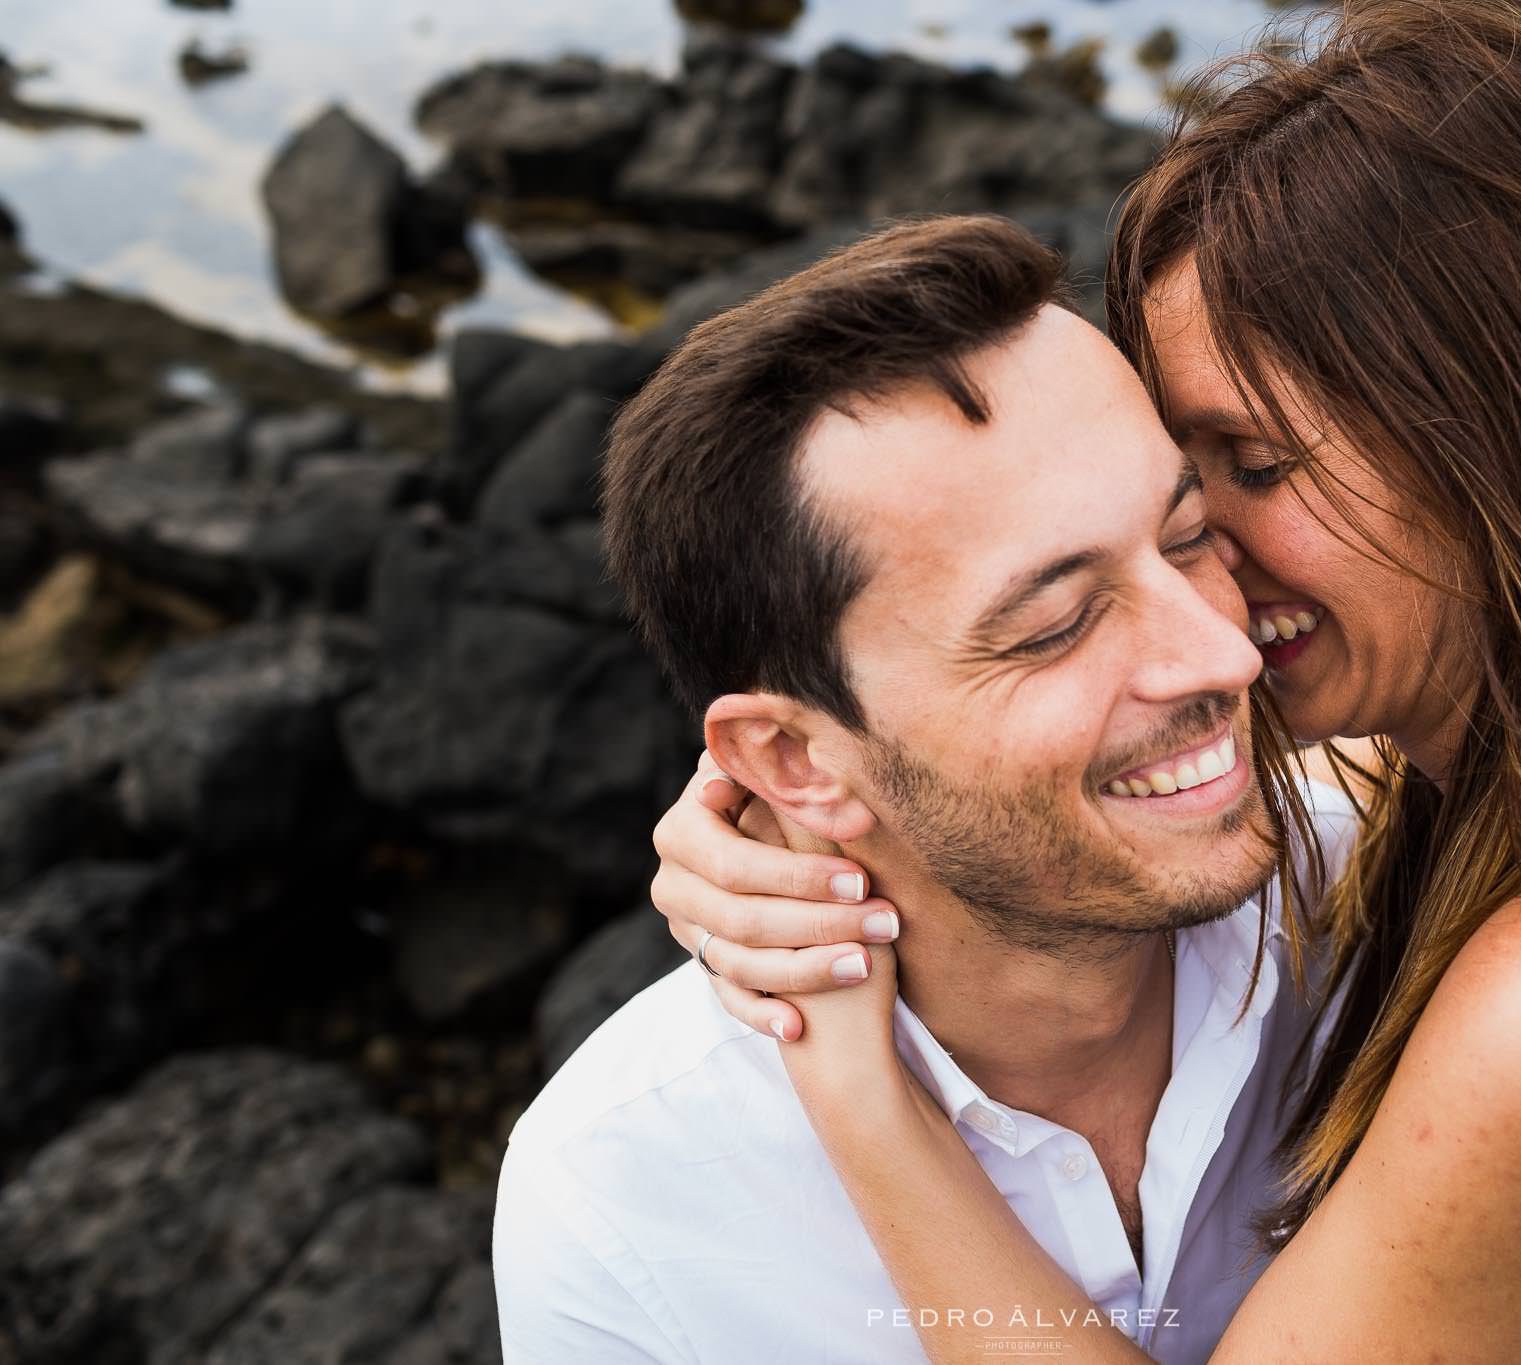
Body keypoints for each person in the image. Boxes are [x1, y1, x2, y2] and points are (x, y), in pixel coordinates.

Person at [644, 2, 1521, 1360]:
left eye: (1255, 468)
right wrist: (797, 801)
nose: (1207, 570)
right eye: (1180, 481)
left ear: (1514, 453)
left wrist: (867, 1095)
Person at [492, 213, 1366, 1364]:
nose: (1222, 655)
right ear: (794, 762)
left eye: (1188, 533)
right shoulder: (629, 1213)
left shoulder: (1405, 901)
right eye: (1054, 626)